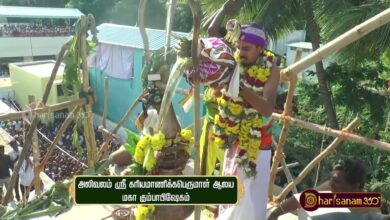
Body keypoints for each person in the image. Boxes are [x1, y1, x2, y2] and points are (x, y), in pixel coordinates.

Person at [206, 1, 280, 219]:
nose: (240, 52)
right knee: (231, 198)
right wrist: (224, 9)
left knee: (250, 204)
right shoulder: (235, 62)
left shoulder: (272, 70)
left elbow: (266, 109)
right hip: (234, 141)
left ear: (260, 48)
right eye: (238, 47)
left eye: (246, 48)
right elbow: (211, 33)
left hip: (258, 147)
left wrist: (239, 87)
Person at [268, 157, 390, 220]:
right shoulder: (329, 187)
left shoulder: (369, 208)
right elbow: (300, 199)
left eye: (337, 181)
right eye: (331, 179)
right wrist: (275, 214)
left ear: (356, 186)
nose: (331, 184)